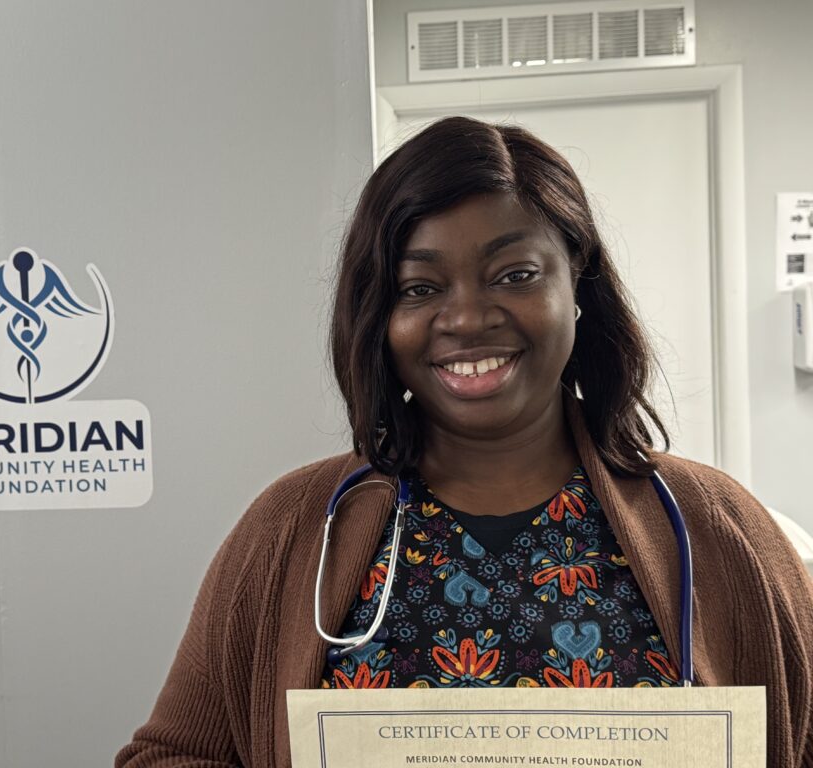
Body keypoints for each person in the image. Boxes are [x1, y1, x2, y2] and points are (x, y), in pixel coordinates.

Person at [115, 117, 813, 768]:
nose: (468, 318)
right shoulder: (289, 529)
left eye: (515, 276)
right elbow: (172, 755)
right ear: (379, 316)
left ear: (578, 281)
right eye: (419, 288)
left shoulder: (718, 526)